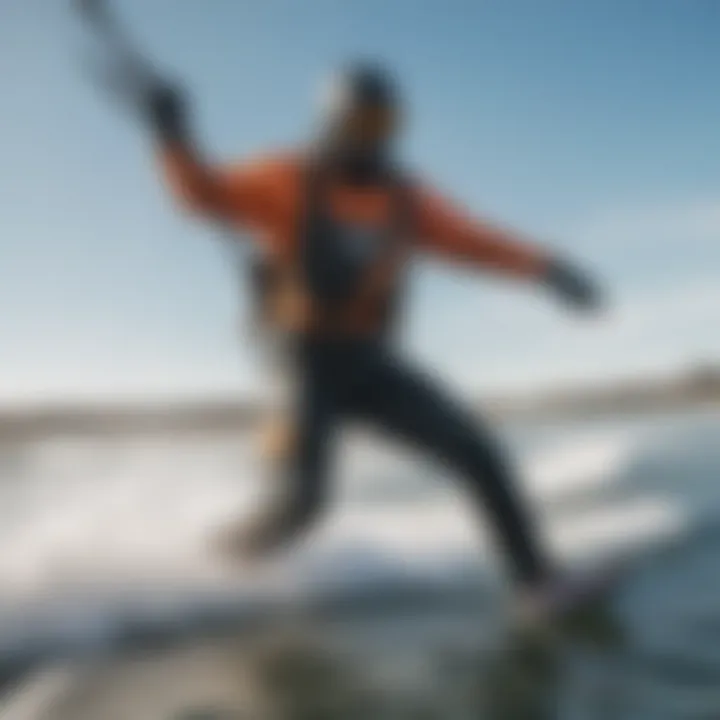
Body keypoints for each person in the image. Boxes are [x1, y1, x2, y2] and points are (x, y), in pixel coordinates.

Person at [137, 62, 606, 620]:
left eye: (386, 124)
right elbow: (203, 197)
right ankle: (205, 576)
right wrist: (172, 134)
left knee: (479, 455)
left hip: (370, 363)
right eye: (362, 123)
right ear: (333, 123)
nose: (374, 138)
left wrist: (548, 269)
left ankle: (538, 584)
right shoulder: (287, 177)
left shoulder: (408, 200)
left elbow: (473, 240)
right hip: (300, 362)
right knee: (302, 504)